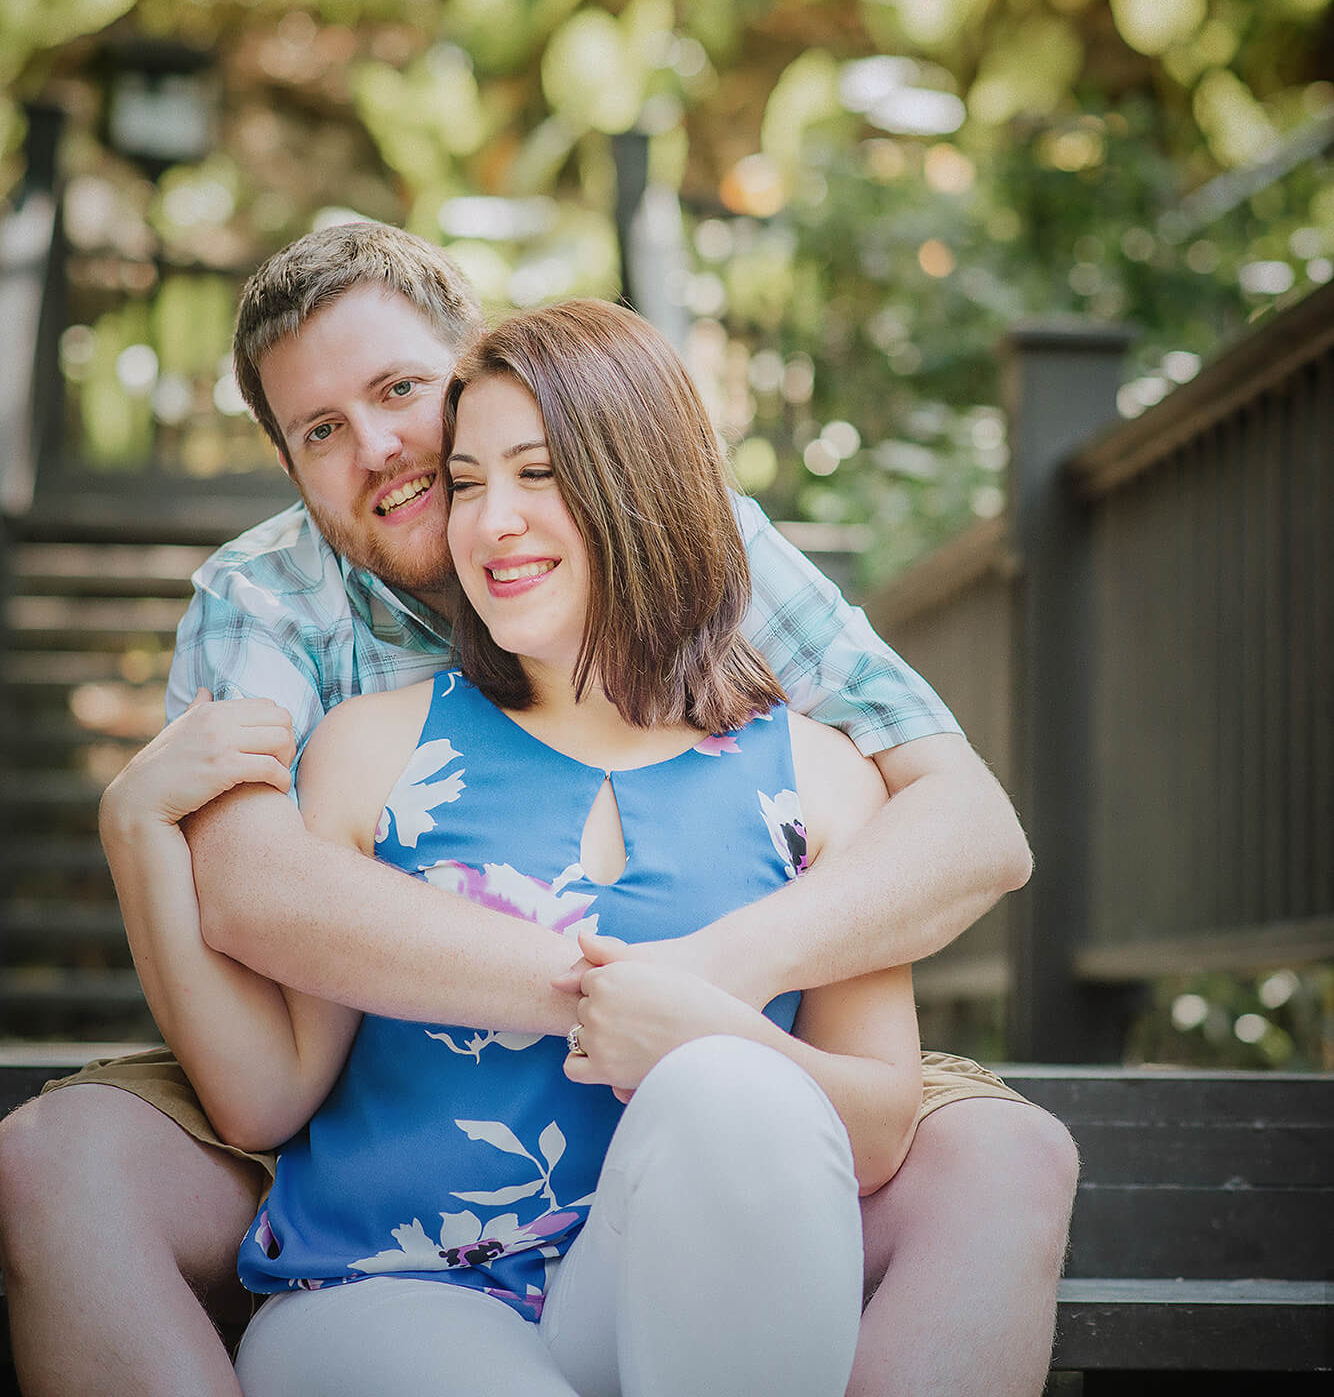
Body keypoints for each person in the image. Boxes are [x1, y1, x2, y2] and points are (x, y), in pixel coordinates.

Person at [0, 222, 1078, 1397]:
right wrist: (611, 992)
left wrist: (703, 988)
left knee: (960, 1142)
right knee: (59, 1159)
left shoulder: (721, 574)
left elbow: (972, 829)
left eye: (402, 390)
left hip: (679, 1142)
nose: (383, 450)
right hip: (386, 1183)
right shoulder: (274, 606)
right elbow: (260, 899)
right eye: (320, 431)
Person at [220, 298, 925, 1394]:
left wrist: (710, 1037)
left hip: (650, 1290)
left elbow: (875, 1126)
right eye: (465, 480)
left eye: (536, 472)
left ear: (639, 481)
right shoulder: (371, 750)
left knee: (736, 1090)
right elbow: (274, 1079)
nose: (489, 519)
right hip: (384, 1288)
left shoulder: (817, 775)